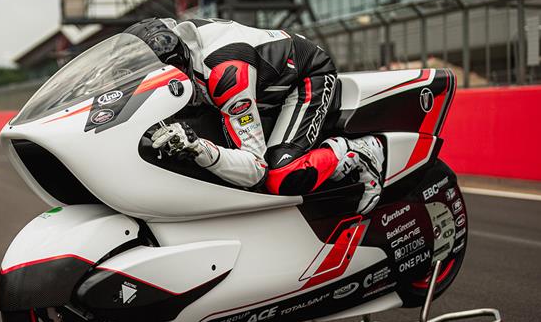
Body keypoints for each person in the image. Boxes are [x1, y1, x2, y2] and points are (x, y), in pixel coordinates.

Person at [124, 17, 385, 214]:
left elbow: (255, 169)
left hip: (305, 77)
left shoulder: (225, 74)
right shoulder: (177, 48)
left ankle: (356, 152)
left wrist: (198, 147)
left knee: (281, 174)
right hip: (257, 80)